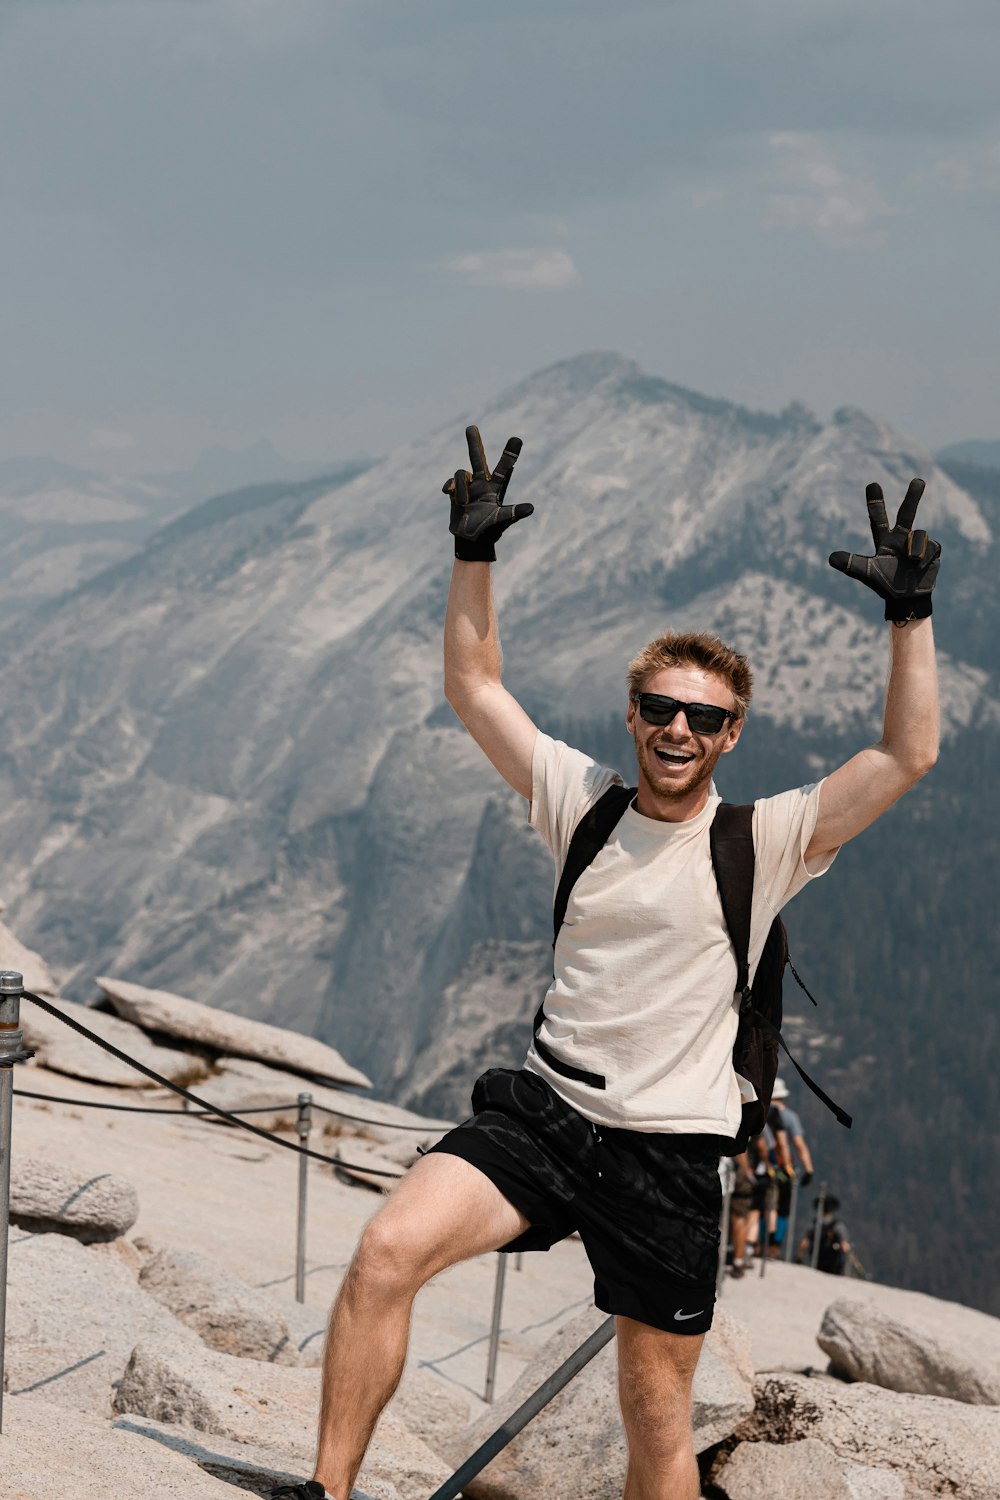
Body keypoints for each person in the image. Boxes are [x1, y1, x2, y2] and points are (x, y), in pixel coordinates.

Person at [271, 429, 940, 1500]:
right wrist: (471, 553)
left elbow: (907, 755)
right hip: (545, 1117)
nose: (677, 728)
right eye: (660, 708)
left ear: (730, 736)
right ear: (632, 714)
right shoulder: (581, 804)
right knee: (387, 1249)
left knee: (655, 1418)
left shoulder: (764, 843)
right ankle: (327, 1491)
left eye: (703, 718)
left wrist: (909, 618)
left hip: (669, 1156)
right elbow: (473, 686)